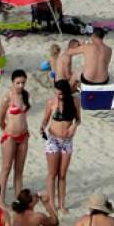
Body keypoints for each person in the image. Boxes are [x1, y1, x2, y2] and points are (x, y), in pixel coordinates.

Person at [41, 79, 80, 212]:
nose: (59, 96)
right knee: (52, 173)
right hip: (53, 139)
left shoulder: (74, 101)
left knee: (62, 174)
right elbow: (46, 119)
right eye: (57, 93)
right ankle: (52, 203)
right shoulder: (51, 103)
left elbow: (78, 119)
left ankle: (62, 204)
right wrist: (42, 127)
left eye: (61, 94)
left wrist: (74, 126)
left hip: (67, 141)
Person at [0, 70, 31, 204]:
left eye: (23, 82)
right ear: (12, 82)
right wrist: (7, 130)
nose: (21, 85)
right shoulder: (7, 98)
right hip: (10, 136)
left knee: (19, 170)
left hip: (24, 136)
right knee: (6, 169)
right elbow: (0, 119)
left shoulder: (25, 95)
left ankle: (19, 199)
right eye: (18, 83)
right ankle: (0, 201)